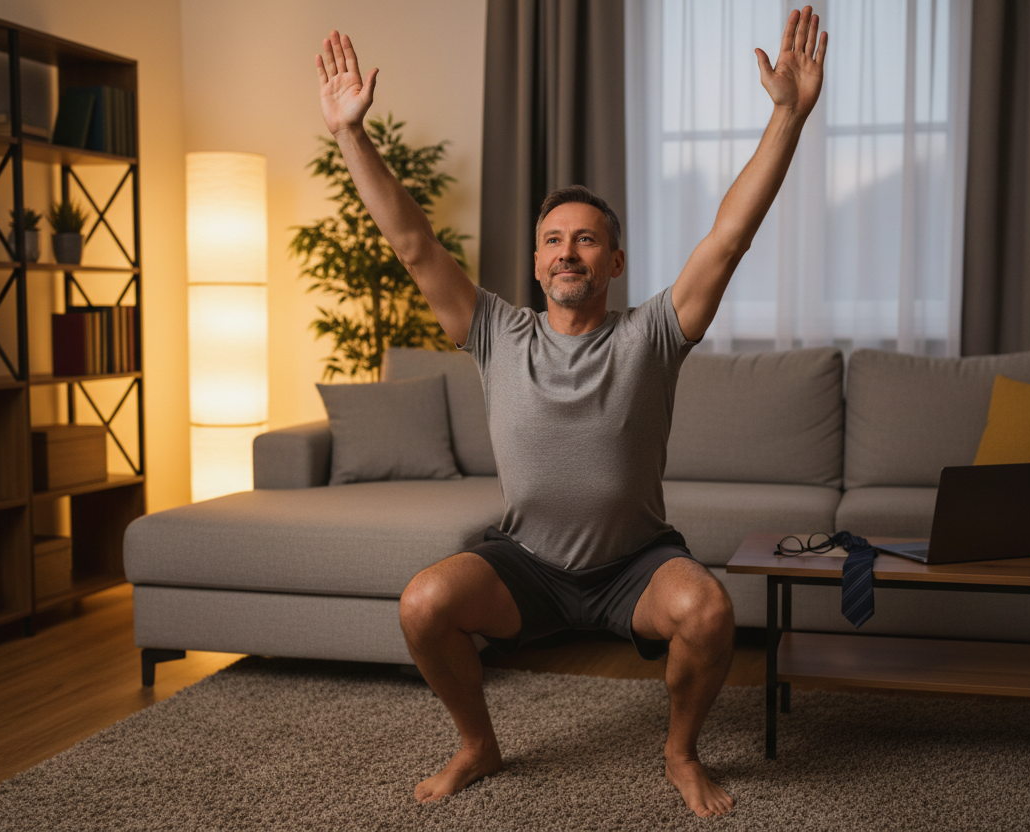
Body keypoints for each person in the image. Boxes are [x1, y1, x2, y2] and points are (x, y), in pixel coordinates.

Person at [315, 7, 826, 819]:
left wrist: (788, 116)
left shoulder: (655, 332)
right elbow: (413, 244)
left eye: (587, 240)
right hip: (526, 564)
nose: (567, 252)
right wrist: (350, 134)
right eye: (553, 239)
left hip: (635, 564)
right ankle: (478, 744)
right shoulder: (494, 331)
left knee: (711, 609)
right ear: (535, 260)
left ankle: (680, 752)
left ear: (615, 262)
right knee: (422, 604)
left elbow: (730, 236)